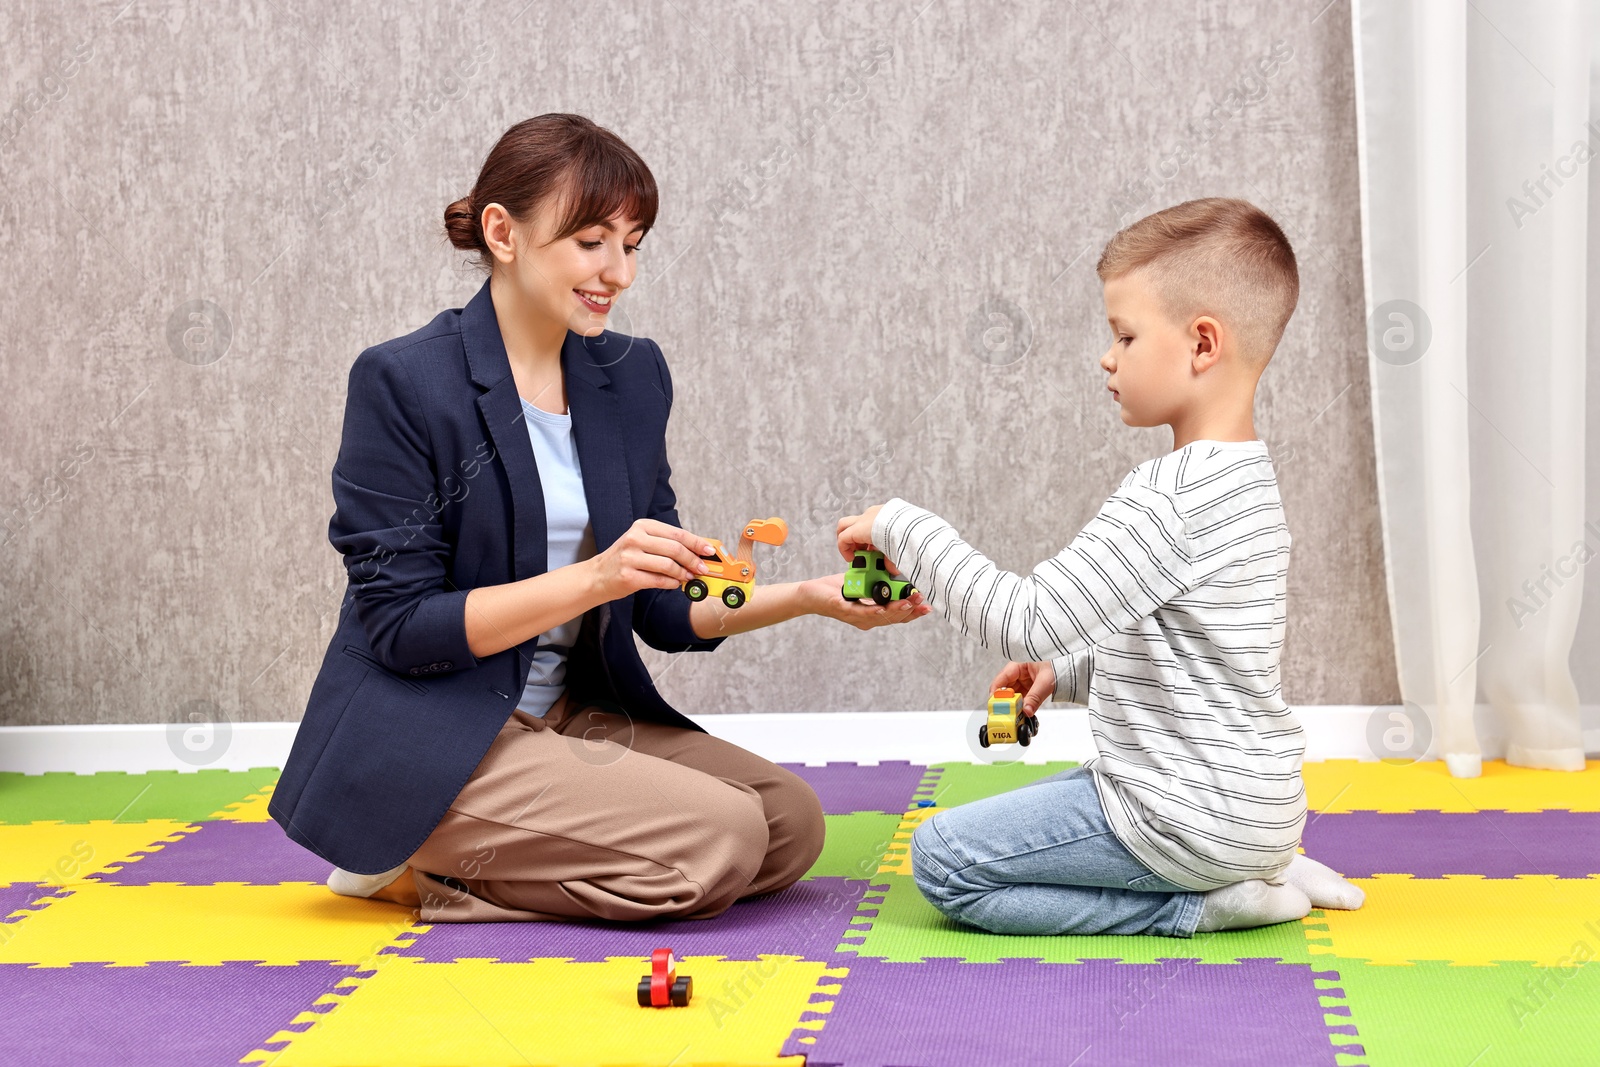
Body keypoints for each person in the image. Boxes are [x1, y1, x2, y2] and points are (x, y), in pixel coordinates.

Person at [269, 113, 930, 923]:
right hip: (441, 730)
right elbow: (403, 626)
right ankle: (420, 854)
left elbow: (659, 608)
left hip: (572, 715)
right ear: (503, 233)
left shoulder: (631, 374)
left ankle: (479, 861)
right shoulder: (403, 382)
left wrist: (810, 597)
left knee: (789, 825)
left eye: (633, 242)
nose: (618, 271)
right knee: (721, 836)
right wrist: (593, 577)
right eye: (591, 241)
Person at [835, 198, 1365, 938]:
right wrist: (1068, 671)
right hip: (1260, 805)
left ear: (1202, 344)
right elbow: (1198, 655)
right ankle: (1263, 864)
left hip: (1180, 818)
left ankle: (1201, 904)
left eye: (1125, 334)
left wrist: (902, 524)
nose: (1107, 357)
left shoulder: (1170, 496)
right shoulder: (1248, 482)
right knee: (1065, 802)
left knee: (943, 859)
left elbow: (1022, 615)